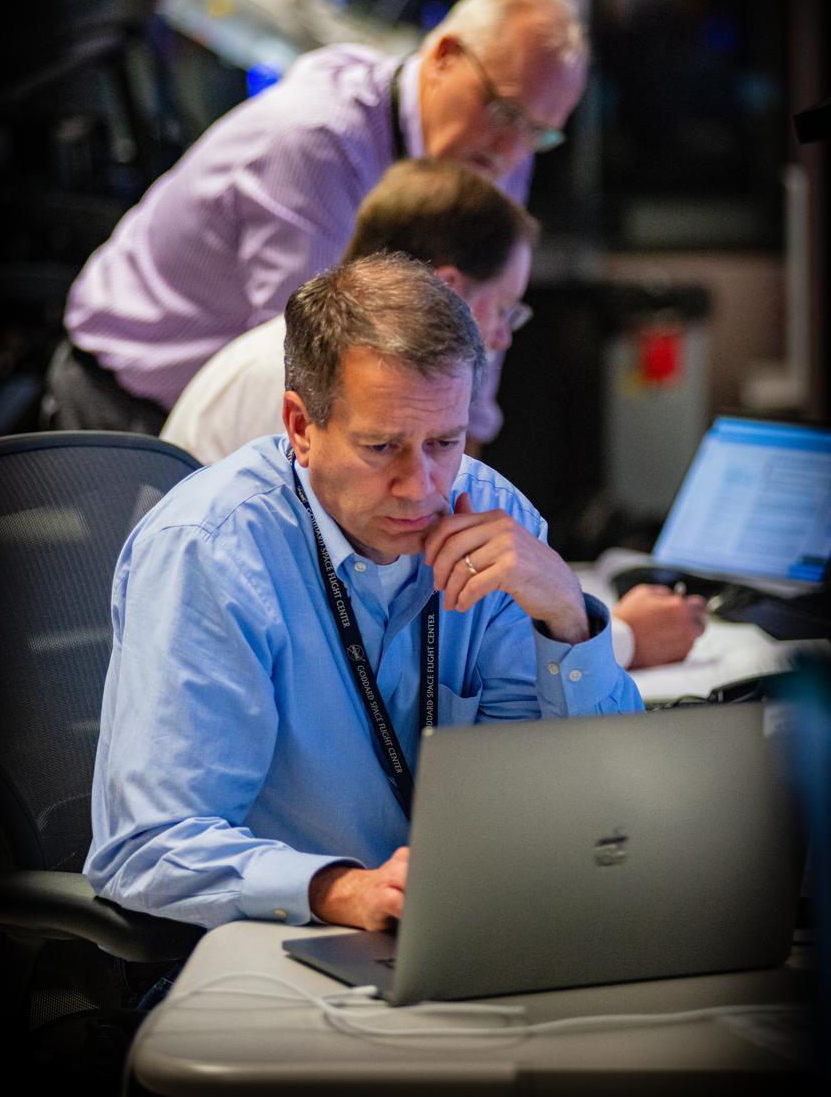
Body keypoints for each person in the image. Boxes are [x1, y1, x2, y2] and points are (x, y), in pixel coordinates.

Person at [85, 254, 643, 934]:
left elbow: (598, 800)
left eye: (445, 440)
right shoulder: (209, 549)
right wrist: (341, 891)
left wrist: (564, 615)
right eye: (382, 447)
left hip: (469, 928)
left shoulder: (497, 517)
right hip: (274, 948)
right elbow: (149, 848)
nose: (421, 484)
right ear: (299, 427)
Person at [160, 158, 706, 672]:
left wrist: (560, 602)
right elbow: (344, 659)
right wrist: (620, 638)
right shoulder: (298, 380)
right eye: (504, 308)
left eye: (444, 442)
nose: (499, 335)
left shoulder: (352, 382)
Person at [44, 0, 588, 445]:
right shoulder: (314, 140)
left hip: (274, 413)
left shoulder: (492, 150)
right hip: (127, 403)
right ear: (443, 55)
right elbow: (312, 367)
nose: (513, 150)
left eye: (540, 133)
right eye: (503, 112)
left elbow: (481, 326)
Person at [161, 158, 539, 463]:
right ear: (449, 289)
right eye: (504, 311)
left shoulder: (317, 358)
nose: (503, 338)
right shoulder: (298, 370)